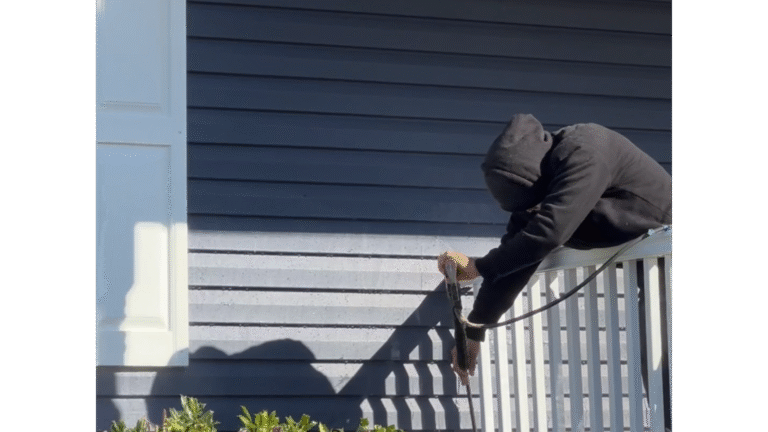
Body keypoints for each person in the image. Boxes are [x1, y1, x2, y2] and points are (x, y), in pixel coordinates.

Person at [437, 113, 672, 427]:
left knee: (661, 349)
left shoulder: (586, 150)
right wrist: (474, 331)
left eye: (532, 206)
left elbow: (548, 232)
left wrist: (478, 266)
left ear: (537, 180)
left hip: (665, 248)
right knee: (653, 348)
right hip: (646, 255)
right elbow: (516, 258)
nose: (530, 212)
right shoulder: (538, 186)